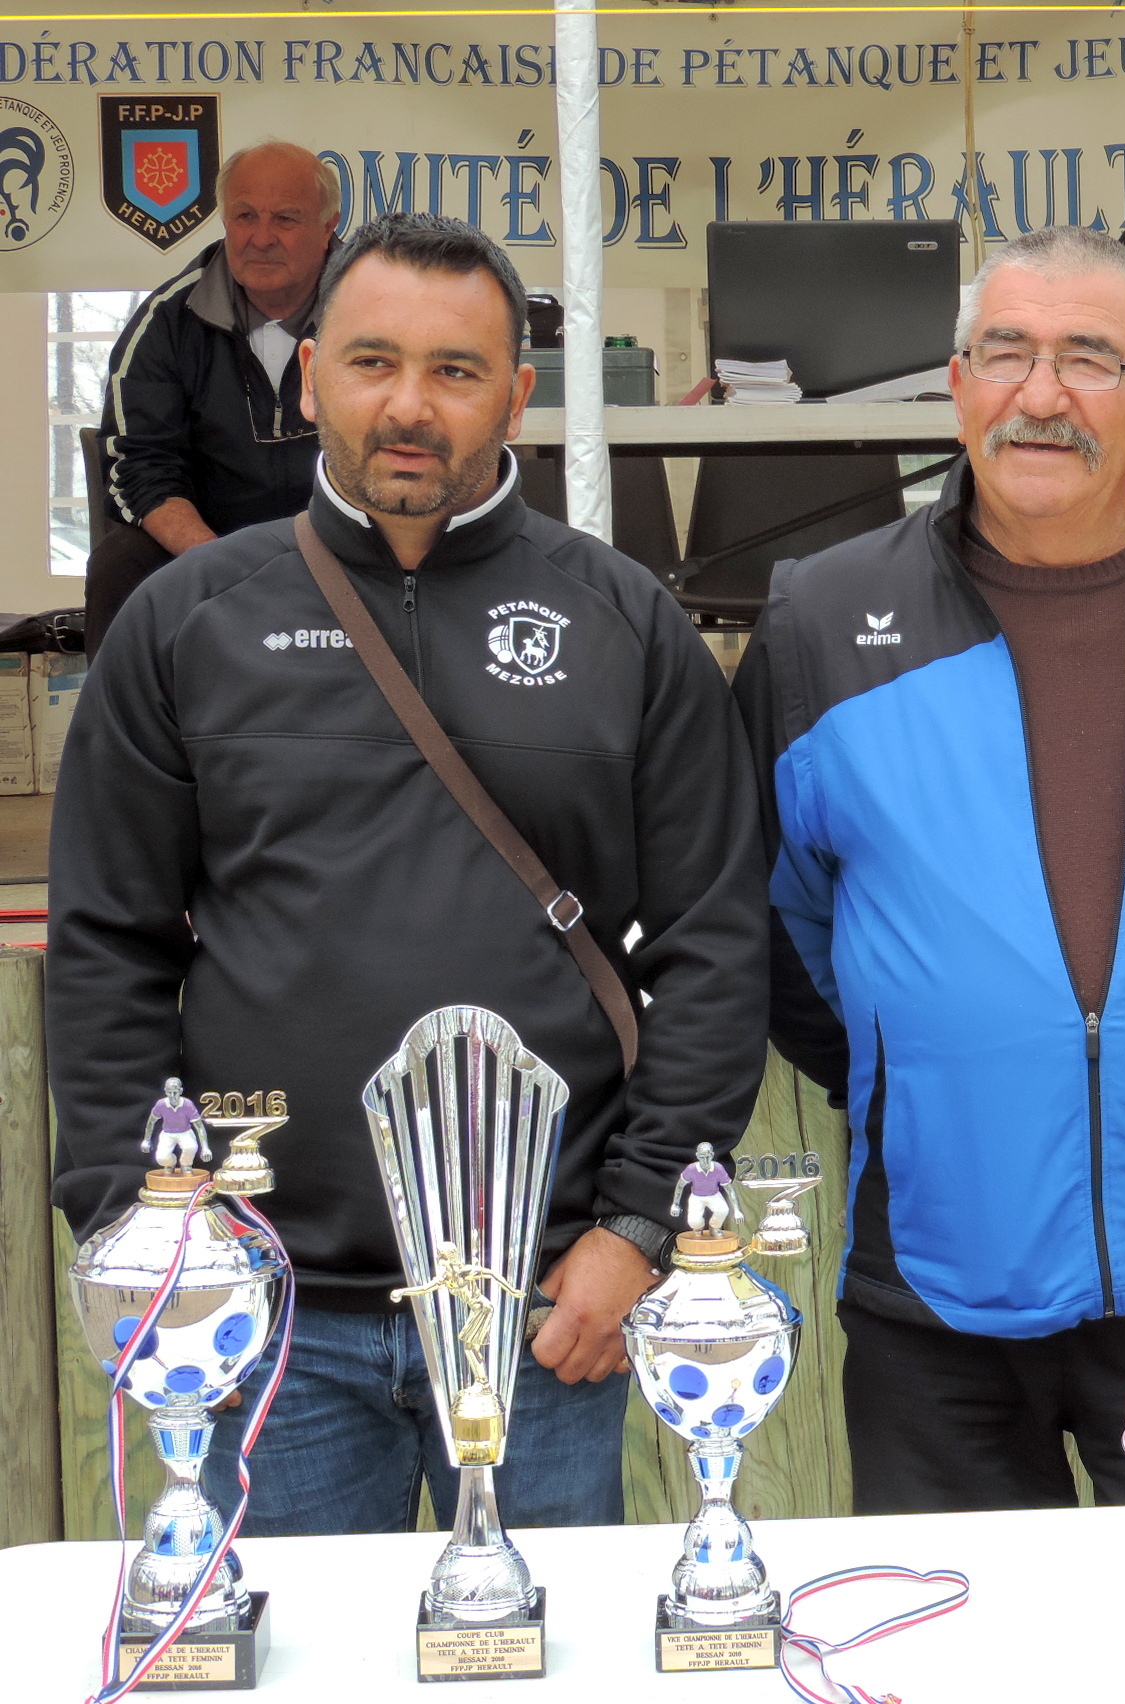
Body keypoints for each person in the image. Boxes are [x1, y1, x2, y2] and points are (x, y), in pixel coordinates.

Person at [48, 213, 770, 1536]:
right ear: (311, 373)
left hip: (548, 1306)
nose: (409, 407)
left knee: (545, 1671)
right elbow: (108, 945)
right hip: (265, 1318)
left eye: (454, 370)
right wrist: (136, 1232)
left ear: (517, 393)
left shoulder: (623, 625)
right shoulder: (187, 623)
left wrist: (637, 1231)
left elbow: (716, 944)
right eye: (374, 363)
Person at [734, 223, 1125, 1515]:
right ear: (957, 386)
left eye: (1089, 358)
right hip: (932, 1294)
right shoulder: (820, 620)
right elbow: (773, 917)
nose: (1042, 394)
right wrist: (917, 1058)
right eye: (1007, 353)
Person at [86, 141, 338, 656]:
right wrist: (219, 562)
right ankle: (118, 733)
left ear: (329, 226)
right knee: (119, 562)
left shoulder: (378, 314)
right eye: (245, 216)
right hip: (206, 541)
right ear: (225, 220)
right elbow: (140, 465)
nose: (261, 238)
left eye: (286, 219)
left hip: (347, 537)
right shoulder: (164, 323)